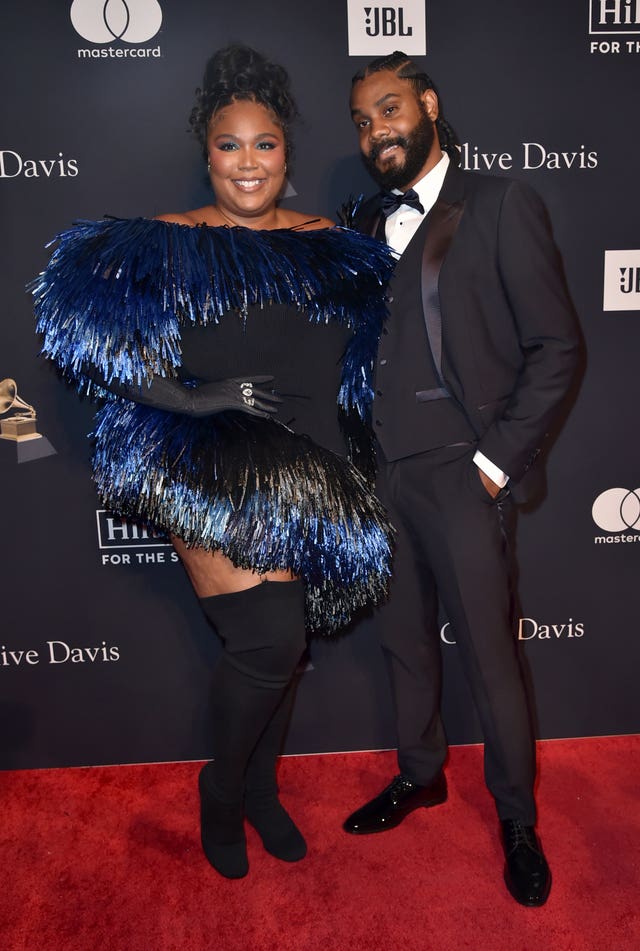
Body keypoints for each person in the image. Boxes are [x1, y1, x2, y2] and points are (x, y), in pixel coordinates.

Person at [31, 45, 394, 880]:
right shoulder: (166, 241)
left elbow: (365, 359)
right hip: (207, 466)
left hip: (310, 472)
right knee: (269, 641)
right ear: (207, 155)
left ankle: (263, 790)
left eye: (264, 144)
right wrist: (198, 398)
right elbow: (84, 337)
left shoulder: (332, 245)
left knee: (285, 646)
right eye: (230, 145)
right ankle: (223, 792)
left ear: (286, 154)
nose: (248, 162)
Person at [343, 51, 581, 906]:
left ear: (429, 105)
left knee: (489, 659)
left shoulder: (500, 204)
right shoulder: (361, 228)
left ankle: (517, 818)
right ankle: (421, 774)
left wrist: (492, 464)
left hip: (462, 473)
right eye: (364, 122)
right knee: (405, 643)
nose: (378, 132)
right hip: (386, 477)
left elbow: (557, 350)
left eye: (392, 110)